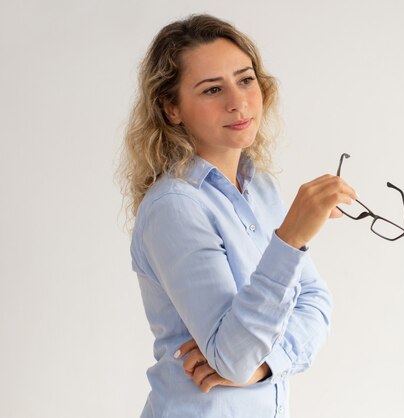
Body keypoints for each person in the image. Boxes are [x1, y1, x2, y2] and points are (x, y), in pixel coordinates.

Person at [118, 14, 357, 418]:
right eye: (212, 89)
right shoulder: (175, 207)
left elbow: (315, 303)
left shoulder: (259, 188)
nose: (238, 101)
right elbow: (233, 357)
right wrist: (290, 238)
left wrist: (264, 366)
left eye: (245, 79)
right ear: (172, 107)